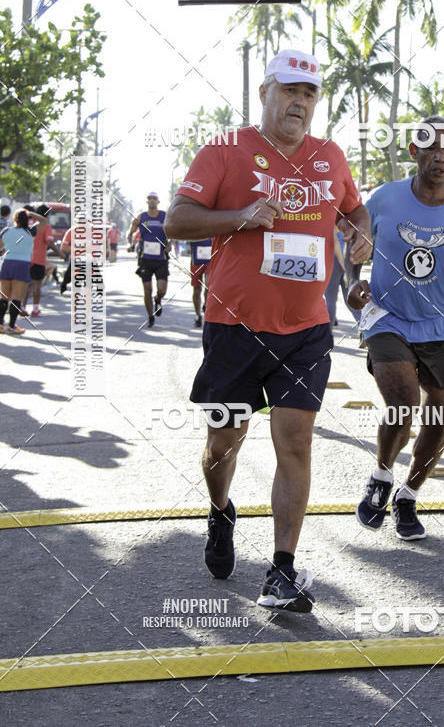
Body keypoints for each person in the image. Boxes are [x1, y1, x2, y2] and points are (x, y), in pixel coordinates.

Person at [165, 48, 371, 613]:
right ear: (265, 94)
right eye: (289, 91)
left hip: (305, 329)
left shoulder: (330, 156)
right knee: (223, 441)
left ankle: (281, 570)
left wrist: (360, 237)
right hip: (234, 326)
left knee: (295, 441)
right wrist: (239, 217)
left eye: (309, 95)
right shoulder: (224, 151)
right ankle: (220, 510)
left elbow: (354, 211)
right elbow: (176, 221)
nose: (299, 103)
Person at [349, 116, 444, 541]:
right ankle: (380, 475)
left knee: (439, 417)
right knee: (403, 402)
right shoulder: (384, 199)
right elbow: (352, 250)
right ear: (414, 152)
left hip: (443, 323)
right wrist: (352, 285)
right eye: (431, 147)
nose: (440, 156)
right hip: (387, 317)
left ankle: (408, 495)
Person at [0, 208, 47, 335]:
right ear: (27, 219)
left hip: (6, 263)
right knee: (16, 297)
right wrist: (30, 213)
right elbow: (43, 220)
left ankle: (0, 324)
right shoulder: (30, 231)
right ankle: (11, 326)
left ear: (14, 219)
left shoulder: (6, 231)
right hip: (22, 265)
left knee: (3, 296)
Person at [128, 193, 170, 328]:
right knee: (147, 289)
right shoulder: (141, 217)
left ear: (158, 201)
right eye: (149, 198)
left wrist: (170, 243)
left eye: (154, 198)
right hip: (145, 258)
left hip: (161, 258)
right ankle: (150, 316)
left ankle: (158, 300)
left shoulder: (165, 216)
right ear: (147, 201)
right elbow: (131, 232)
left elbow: (174, 229)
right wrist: (131, 244)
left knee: (162, 290)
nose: (152, 201)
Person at [23, 204, 64, 317]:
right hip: (38, 259)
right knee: (37, 285)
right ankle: (35, 310)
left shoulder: (29, 223)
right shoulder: (45, 226)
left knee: (28, 284)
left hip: (26, 258)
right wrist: (60, 253)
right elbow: (49, 242)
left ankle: (22, 307)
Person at [324, 228, 360, 327]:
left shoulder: (335, 215)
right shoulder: (350, 216)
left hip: (336, 260)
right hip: (347, 259)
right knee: (349, 298)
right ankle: (365, 328)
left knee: (330, 299)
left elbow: (334, 239)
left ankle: (328, 333)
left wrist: (342, 262)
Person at [190, 239, 212, 327]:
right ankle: (198, 315)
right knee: (196, 289)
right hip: (196, 260)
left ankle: (206, 307)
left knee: (209, 286)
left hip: (210, 259)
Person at [59, 227, 72, 294]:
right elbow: (63, 247)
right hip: (76, 260)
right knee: (68, 277)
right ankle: (63, 286)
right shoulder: (71, 231)